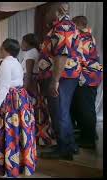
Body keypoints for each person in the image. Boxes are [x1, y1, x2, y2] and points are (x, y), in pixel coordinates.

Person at [38, 2, 82, 160]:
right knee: (62, 111)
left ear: (56, 11)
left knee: (59, 112)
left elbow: (62, 55)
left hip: (62, 77)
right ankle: (68, 144)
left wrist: (55, 80)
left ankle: (64, 149)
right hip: (63, 76)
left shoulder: (63, 26)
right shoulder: (61, 26)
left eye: (47, 12)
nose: (45, 15)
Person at [0, 38, 36, 177]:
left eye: (0, 47)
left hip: (11, 100)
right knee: (19, 131)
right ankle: (21, 164)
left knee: (9, 132)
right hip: (20, 98)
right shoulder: (16, 62)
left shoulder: (6, 62)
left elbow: (4, 87)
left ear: (5, 49)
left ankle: (9, 168)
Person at [70, 16, 103, 149]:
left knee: (86, 109)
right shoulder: (87, 36)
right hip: (90, 76)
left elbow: (78, 58)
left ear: (78, 24)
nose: (71, 27)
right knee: (83, 107)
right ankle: (88, 134)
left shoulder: (83, 38)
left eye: (73, 24)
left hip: (88, 77)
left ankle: (88, 140)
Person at [21, 33, 54, 146]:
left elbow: (29, 73)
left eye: (23, 42)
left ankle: (35, 137)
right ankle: (41, 137)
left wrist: (24, 90)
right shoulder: (35, 51)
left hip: (30, 84)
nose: (21, 45)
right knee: (38, 110)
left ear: (28, 43)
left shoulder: (30, 53)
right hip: (35, 83)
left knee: (32, 111)